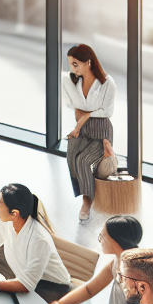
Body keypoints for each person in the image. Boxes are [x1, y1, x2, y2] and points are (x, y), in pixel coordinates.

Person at [46, 215, 144, 304]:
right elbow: (89, 290)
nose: (100, 241)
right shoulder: (117, 261)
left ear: (115, 240)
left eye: (102, 236)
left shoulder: (136, 274)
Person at [63, 43, 116, 223]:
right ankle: (86, 190)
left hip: (101, 132)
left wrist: (85, 116)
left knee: (83, 161)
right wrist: (82, 120)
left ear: (88, 62)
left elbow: (106, 112)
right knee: (71, 153)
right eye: (70, 64)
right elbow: (71, 104)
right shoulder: (74, 81)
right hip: (83, 129)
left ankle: (87, 201)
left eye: (75, 64)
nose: (72, 68)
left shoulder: (107, 83)